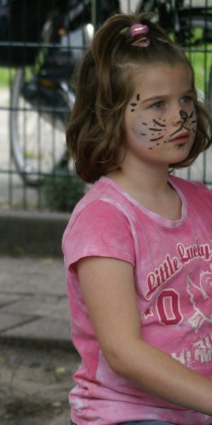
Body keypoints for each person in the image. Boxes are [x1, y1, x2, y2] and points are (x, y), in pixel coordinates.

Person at [63, 13, 212, 424]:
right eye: (157, 105)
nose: (180, 116)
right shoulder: (103, 219)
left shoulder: (203, 204)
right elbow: (123, 353)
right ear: (111, 117)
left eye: (185, 99)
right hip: (125, 414)